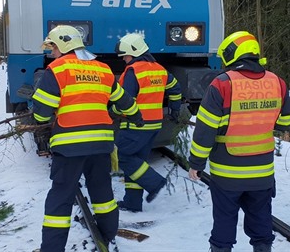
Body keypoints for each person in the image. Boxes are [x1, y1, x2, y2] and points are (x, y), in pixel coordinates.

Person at [32, 25, 144, 252]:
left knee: (61, 197)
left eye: (52, 47)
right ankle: (107, 235)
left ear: (62, 45)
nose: (51, 52)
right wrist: (137, 117)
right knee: (103, 193)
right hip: (101, 144)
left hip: (69, 147)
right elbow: (124, 101)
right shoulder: (103, 70)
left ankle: (51, 248)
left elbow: (41, 113)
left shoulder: (57, 69)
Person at [188, 32, 290, 252]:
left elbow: (205, 130)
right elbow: (286, 122)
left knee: (225, 222)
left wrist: (196, 164)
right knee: (261, 220)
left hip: (228, 173)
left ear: (230, 55)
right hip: (262, 172)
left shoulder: (222, 84)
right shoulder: (277, 82)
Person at [113, 33, 182, 212]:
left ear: (134, 53)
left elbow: (125, 101)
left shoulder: (133, 71)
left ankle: (155, 183)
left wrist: (111, 112)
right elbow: (175, 88)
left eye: (125, 56)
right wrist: (175, 110)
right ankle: (133, 203)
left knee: (126, 158)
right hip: (154, 125)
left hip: (135, 124)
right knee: (137, 161)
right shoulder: (159, 69)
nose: (124, 60)